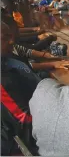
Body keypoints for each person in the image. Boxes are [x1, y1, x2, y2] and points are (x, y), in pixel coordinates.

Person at [1, 21, 38, 155]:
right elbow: (25, 120)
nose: (12, 41)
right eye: (5, 38)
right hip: (23, 139)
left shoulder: (7, 59)